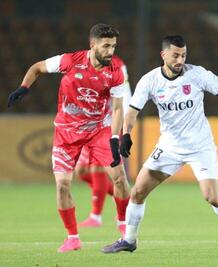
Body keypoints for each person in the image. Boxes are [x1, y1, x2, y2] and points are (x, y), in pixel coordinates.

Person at [102, 35, 218, 254]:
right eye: (175, 55)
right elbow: (132, 111)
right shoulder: (150, 80)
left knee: (211, 196)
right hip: (169, 147)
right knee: (138, 192)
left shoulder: (197, 74)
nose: (180, 60)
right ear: (164, 55)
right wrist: (126, 134)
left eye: (183, 55)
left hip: (201, 147)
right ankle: (129, 240)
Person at [7, 23, 131, 253]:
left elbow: (117, 109)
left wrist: (115, 137)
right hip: (67, 131)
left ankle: (124, 225)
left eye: (113, 46)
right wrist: (24, 87)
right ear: (92, 45)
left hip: (99, 130)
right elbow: (36, 68)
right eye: (106, 46)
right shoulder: (69, 61)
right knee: (63, 185)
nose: (111, 51)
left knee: (120, 178)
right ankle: (72, 237)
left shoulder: (115, 72)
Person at [76, 56, 132, 228]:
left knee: (98, 168)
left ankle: (96, 216)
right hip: (90, 123)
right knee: (82, 171)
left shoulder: (117, 65)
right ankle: (127, 200)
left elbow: (122, 96)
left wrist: (124, 126)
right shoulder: (85, 63)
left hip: (110, 124)